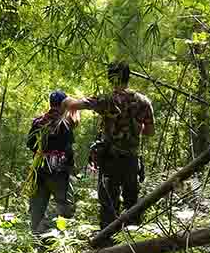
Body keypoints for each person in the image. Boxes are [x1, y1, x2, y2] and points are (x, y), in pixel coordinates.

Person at [63, 61, 155, 229]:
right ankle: (134, 243)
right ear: (128, 77)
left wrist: (66, 99)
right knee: (132, 204)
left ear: (110, 78)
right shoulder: (144, 101)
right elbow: (149, 131)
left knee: (108, 205)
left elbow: (74, 105)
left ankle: (107, 244)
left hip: (110, 160)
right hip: (131, 160)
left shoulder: (105, 99)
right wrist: (132, 128)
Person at [26, 89, 78, 234]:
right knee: (66, 208)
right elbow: (68, 148)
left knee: (37, 208)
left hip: (38, 171)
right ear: (63, 104)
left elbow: (30, 144)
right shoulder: (65, 123)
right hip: (58, 173)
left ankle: (36, 238)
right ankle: (48, 230)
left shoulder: (38, 122)